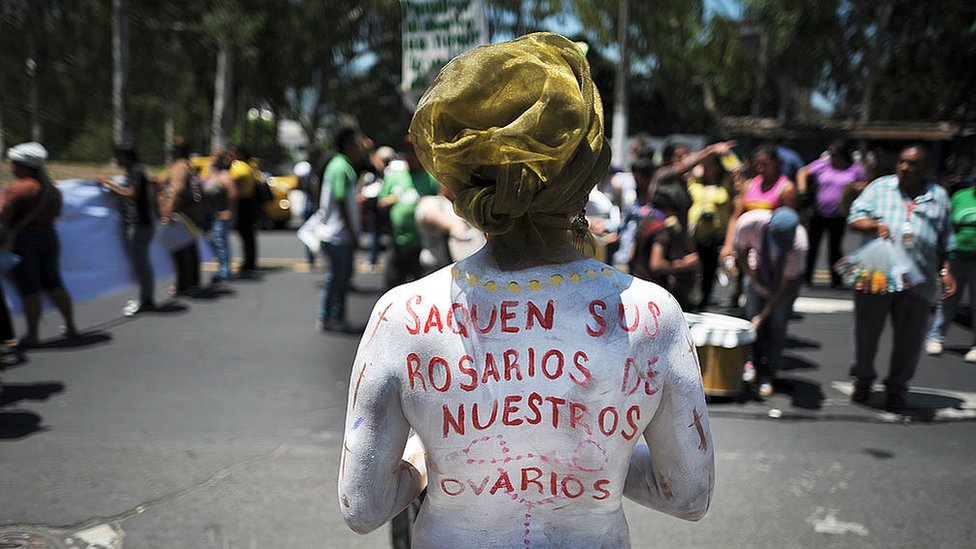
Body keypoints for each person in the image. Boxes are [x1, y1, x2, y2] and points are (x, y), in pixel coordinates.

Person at [339, 33, 713, 547]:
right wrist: (596, 458)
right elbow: (688, 495)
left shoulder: (402, 315)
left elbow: (363, 507)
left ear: (464, 181)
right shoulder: (652, 313)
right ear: (585, 174)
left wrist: (429, 461)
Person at [847, 144, 956, 411]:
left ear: (926, 169)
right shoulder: (880, 188)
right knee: (867, 332)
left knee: (909, 339)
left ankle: (897, 387)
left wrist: (946, 272)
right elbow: (854, 218)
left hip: (918, 280)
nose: (904, 168)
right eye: (901, 162)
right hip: (877, 277)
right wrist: (874, 225)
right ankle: (863, 380)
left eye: (912, 164)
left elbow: (946, 241)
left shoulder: (938, 197)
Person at [1, 142, 78, 346]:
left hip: (24, 242)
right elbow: (57, 213)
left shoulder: (19, 189)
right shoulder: (52, 189)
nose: (12, 168)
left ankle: (33, 335)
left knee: (30, 288)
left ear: (24, 166)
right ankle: (71, 325)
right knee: (54, 283)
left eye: (14, 164)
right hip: (49, 238)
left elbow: (3, 217)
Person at [733, 207, 808, 398]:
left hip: (785, 280)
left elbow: (783, 287)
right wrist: (755, 281)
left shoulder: (799, 244)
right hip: (756, 269)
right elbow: (741, 252)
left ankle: (769, 373)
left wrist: (764, 313)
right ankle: (751, 364)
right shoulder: (749, 223)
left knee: (777, 323)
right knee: (751, 322)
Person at [796, 140, 866, 287]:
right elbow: (802, 172)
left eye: (835, 155)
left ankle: (836, 279)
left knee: (835, 247)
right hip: (819, 213)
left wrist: (858, 188)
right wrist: (802, 191)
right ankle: (806, 277)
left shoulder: (854, 170)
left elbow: (864, 184)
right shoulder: (823, 165)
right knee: (812, 245)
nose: (832, 157)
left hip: (838, 215)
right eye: (831, 154)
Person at [98, 146, 158, 315]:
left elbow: (131, 193)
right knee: (141, 263)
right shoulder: (135, 171)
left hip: (140, 224)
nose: (116, 159)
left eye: (118, 156)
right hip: (140, 224)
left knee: (141, 264)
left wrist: (108, 183)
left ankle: (146, 299)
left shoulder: (136, 171)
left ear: (127, 157)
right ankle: (146, 297)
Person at [924, 163, 976, 360]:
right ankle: (936, 337)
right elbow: (947, 225)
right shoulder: (960, 197)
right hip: (956, 257)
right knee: (948, 298)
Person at [314, 127, 362, 333]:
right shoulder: (341, 166)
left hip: (334, 233)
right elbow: (341, 199)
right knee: (338, 278)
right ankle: (329, 316)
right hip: (338, 235)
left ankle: (331, 316)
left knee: (339, 278)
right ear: (348, 145)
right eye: (356, 143)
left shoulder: (338, 165)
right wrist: (351, 231)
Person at [378, 137, 439, 288]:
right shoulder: (394, 177)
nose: (411, 156)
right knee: (392, 287)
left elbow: (440, 204)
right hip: (397, 243)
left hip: (422, 245)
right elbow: (381, 201)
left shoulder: (431, 179)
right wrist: (385, 204)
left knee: (422, 290)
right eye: (408, 152)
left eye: (415, 152)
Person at [687, 152, 738, 310]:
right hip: (694, 236)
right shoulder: (693, 182)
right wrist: (703, 159)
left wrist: (724, 154)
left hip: (715, 235)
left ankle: (704, 300)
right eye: (705, 165)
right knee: (691, 268)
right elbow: (686, 166)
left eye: (712, 165)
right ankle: (689, 297)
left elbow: (737, 168)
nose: (708, 168)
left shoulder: (726, 184)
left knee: (710, 269)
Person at [157, 142, 201, 296]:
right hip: (186, 213)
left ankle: (185, 284)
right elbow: (162, 179)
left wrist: (167, 212)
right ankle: (191, 282)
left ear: (175, 153)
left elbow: (176, 189)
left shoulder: (180, 167)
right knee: (188, 248)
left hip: (180, 213)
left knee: (181, 250)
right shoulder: (183, 166)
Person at [203, 150, 237, 284]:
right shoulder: (210, 174)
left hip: (220, 214)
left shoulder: (224, 176)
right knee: (212, 241)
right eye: (212, 156)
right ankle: (222, 268)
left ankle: (225, 272)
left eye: (217, 157)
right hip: (209, 214)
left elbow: (233, 193)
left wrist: (229, 210)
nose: (213, 159)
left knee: (220, 242)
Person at [228, 144, 259, 276]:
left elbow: (234, 182)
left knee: (246, 234)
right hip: (249, 202)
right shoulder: (249, 166)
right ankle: (249, 261)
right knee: (248, 235)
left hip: (243, 203)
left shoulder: (239, 167)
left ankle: (249, 263)